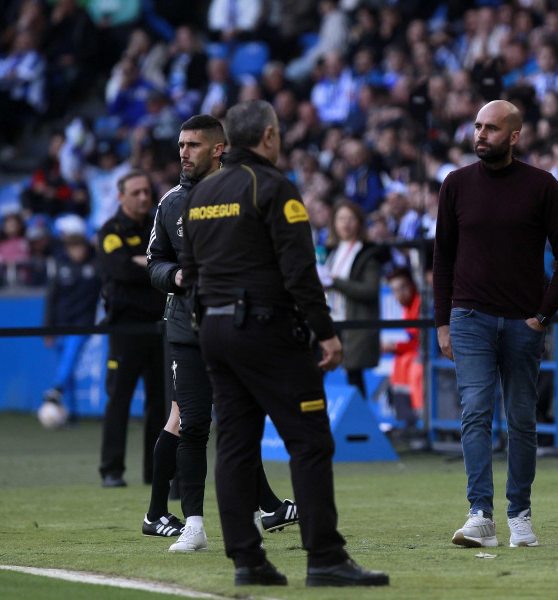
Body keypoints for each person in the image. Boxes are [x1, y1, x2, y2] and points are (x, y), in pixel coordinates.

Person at [179, 100, 387, 587]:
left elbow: (190, 272)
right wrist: (327, 333)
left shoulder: (200, 194)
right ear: (269, 136)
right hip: (266, 330)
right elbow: (300, 271)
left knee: (234, 446)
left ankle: (248, 562)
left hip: (212, 329)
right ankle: (326, 559)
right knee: (310, 440)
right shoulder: (271, 187)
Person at [143, 114, 298, 550]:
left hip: (237, 327)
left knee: (240, 424)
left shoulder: (247, 192)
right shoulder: (171, 202)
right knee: (192, 423)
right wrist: (173, 276)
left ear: (217, 149)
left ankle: (255, 510)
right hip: (185, 331)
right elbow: (154, 261)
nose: (183, 153)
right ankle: (193, 523)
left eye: (192, 145)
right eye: (180, 145)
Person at [433, 100, 558, 548]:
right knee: (475, 413)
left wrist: (542, 315)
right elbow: (442, 259)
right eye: (477, 126)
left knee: (521, 421)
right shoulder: (455, 184)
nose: (480, 135)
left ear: (514, 136)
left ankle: (520, 515)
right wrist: (442, 322)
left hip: (522, 322)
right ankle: (480, 514)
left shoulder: (542, 185)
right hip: (469, 317)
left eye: (491, 129)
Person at [96, 169, 166, 488]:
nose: (142, 197)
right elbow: (120, 269)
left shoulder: (159, 224)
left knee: (161, 401)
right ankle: (112, 470)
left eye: (146, 192)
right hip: (125, 328)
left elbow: (173, 264)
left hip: (161, 326)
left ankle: (156, 471)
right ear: (120, 196)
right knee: (119, 398)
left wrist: (143, 263)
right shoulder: (111, 230)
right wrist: (154, 266)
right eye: (135, 192)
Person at [316, 200, 382, 400]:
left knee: (354, 375)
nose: (346, 223)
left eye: (351, 218)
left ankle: (361, 426)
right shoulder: (331, 251)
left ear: (360, 223)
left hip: (354, 323)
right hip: (332, 320)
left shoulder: (368, 253)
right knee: (316, 371)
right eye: (341, 218)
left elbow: (370, 290)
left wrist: (336, 282)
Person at [41, 215, 102, 420]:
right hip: (60, 324)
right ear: (67, 249)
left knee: (70, 357)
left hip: (82, 324)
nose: (78, 251)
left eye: (81, 247)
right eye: (73, 247)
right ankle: (71, 413)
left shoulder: (95, 265)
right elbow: (51, 299)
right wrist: (47, 328)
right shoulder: (60, 266)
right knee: (67, 369)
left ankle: (56, 389)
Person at [382, 266, 423, 431]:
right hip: (416, 352)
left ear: (412, 285)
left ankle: (422, 420)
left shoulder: (422, 303)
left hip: (433, 354)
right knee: (400, 362)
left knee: (414, 367)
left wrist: (395, 346)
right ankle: (407, 420)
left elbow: (425, 342)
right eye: (394, 290)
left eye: (402, 288)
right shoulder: (407, 307)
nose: (399, 293)